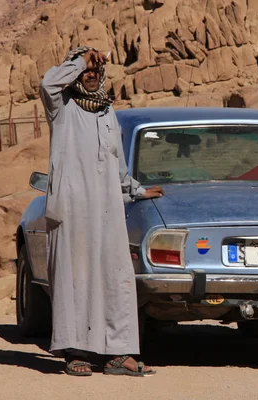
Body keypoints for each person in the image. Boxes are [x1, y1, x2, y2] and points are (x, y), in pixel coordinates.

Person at [39, 46, 164, 377]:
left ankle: (118, 354)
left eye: (95, 71)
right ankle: (75, 352)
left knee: (115, 277)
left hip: (107, 210)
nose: (91, 76)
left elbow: (116, 164)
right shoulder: (61, 108)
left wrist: (136, 190)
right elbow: (48, 84)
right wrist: (82, 59)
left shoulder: (108, 113)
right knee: (75, 280)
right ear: (76, 75)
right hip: (72, 210)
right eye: (85, 72)